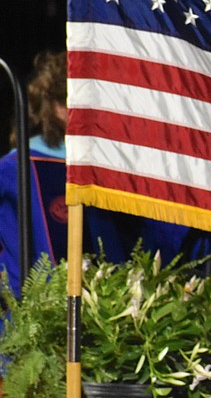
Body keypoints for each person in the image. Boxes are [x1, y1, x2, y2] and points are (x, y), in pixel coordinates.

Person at [0, 51, 190, 296]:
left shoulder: (114, 170)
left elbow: (154, 241)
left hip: (114, 311)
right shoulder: (15, 171)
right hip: (34, 313)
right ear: (58, 106)